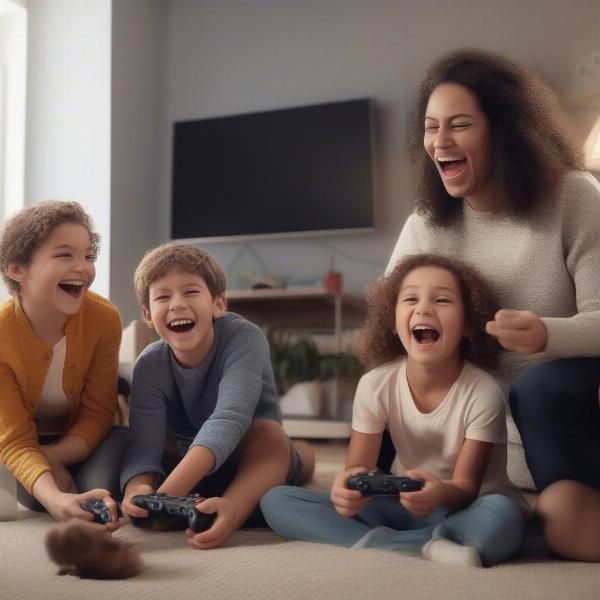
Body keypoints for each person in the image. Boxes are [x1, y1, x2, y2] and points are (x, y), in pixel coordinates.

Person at [387, 48, 600, 561]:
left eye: (459, 125)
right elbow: (386, 330)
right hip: (475, 438)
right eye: (431, 126)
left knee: (539, 383)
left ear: (504, 132)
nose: (440, 141)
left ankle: (568, 505)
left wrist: (546, 335)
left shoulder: (575, 197)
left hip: (563, 417)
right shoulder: (425, 224)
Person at [261, 254, 528, 568]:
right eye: (410, 298)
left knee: (504, 516)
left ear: (469, 324)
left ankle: (408, 539)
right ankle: (421, 544)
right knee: (276, 500)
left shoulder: (483, 392)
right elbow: (357, 471)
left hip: (468, 505)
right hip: (403, 503)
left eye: (442, 300)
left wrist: (438, 492)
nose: (424, 308)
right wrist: (347, 491)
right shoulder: (376, 384)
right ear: (392, 320)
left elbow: (466, 489)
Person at [120, 243, 315, 549]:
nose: (177, 304)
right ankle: (204, 494)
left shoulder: (244, 338)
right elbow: (143, 446)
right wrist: (137, 491)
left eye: (191, 292)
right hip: (191, 464)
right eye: (162, 296)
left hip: (248, 455)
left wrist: (165, 496)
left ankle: (235, 507)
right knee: (146, 445)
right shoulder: (149, 364)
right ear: (148, 314)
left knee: (272, 436)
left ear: (219, 305)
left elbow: (230, 418)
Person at [0, 201, 124, 528]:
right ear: (17, 269)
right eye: (65, 255)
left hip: (81, 441)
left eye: (88, 256)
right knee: (44, 499)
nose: (83, 267)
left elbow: (98, 412)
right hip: (20, 442)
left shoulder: (104, 318)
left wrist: (54, 457)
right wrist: (56, 501)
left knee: (105, 489)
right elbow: (13, 440)